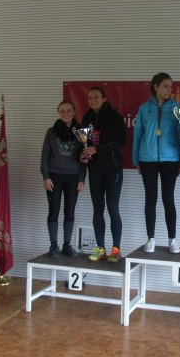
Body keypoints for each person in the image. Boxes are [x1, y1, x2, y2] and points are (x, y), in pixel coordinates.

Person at [132, 72, 180, 253]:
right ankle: (151, 239)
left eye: (171, 87)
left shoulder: (177, 108)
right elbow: (137, 134)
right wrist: (136, 159)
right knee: (151, 198)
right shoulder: (144, 108)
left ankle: (172, 239)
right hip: (147, 159)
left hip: (171, 159)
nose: (169, 90)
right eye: (165, 86)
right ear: (155, 87)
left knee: (168, 199)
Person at [79, 87, 126, 262]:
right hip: (95, 169)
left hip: (113, 169)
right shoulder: (86, 119)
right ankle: (100, 249)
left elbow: (121, 141)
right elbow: (84, 144)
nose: (93, 100)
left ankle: (116, 250)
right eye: (90, 97)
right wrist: (84, 155)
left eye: (96, 97)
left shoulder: (115, 117)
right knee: (97, 209)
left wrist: (98, 149)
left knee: (112, 208)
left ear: (104, 98)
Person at [40, 100, 85, 258]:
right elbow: (44, 156)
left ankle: (67, 245)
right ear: (59, 113)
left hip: (73, 177)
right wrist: (46, 177)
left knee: (70, 211)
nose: (66, 114)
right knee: (54, 210)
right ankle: (54, 246)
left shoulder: (81, 132)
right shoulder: (51, 132)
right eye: (62, 111)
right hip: (54, 176)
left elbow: (84, 157)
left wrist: (82, 179)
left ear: (74, 112)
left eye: (69, 110)